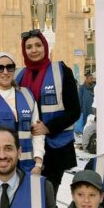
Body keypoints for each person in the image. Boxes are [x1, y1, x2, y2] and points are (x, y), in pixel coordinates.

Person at [16, 30, 80, 197]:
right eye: (29, 47)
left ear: (45, 47)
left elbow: (74, 111)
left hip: (56, 146)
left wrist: (48, 127)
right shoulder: (19, 76)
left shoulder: (62, 71)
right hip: (28, 146)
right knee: (28, 194)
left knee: (48, 194)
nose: (34, 50)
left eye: (38, 45)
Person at [0, 53, 45, 177]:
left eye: (9, 67)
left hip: (28, 168)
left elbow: (37, 132)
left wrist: (38, 163)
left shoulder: (27, 94)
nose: (5, 72)